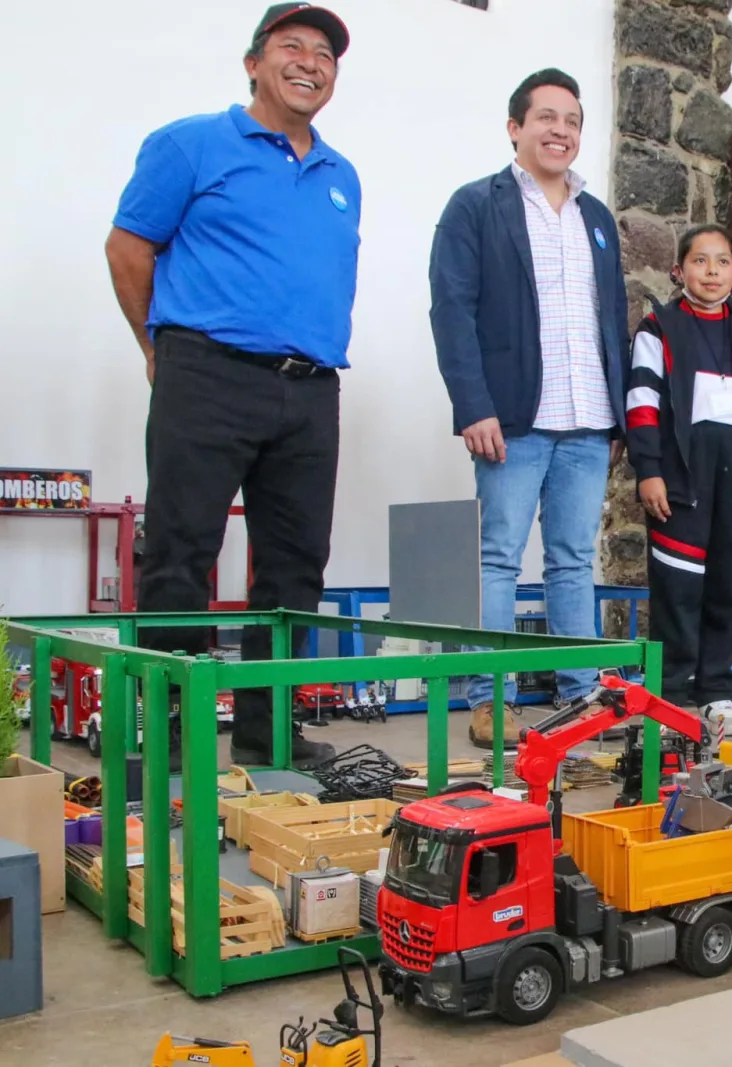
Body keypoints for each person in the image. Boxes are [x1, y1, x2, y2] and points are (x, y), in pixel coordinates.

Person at [106, 3, 357, 769]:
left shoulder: (341, 174)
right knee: (180, 553)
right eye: (292, 46)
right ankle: (171, 732)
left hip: (311, 391)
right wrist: (160, 347)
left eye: (325, 53)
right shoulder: (191, 143)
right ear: (254, 63)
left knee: (294, 567)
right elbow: (128, 248)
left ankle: (266, 730)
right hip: (206, 373)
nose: (310, 61)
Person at [430, 69, 632, 748]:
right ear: (515, 127)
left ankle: (581, 699)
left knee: (574, 560)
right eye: (546, 117)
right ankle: (491, 701)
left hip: (588, 418)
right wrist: (472, 405)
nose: (561, 130)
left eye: (572, 120)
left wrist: (618, 418)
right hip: (510, 418)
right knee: (498, 559)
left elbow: (612, 318)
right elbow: (452, 311)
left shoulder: (595, 217)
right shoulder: (475, 206)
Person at [624, 225, 732, 737]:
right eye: (700, 261)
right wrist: (649, 471)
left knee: (726, 586)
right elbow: (643, 403)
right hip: (679, 483)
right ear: (679, 271)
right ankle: (673, 693)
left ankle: (716, 690)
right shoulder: (659, 329)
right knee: (677, 588)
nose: (711, 272)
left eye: (722, 262)